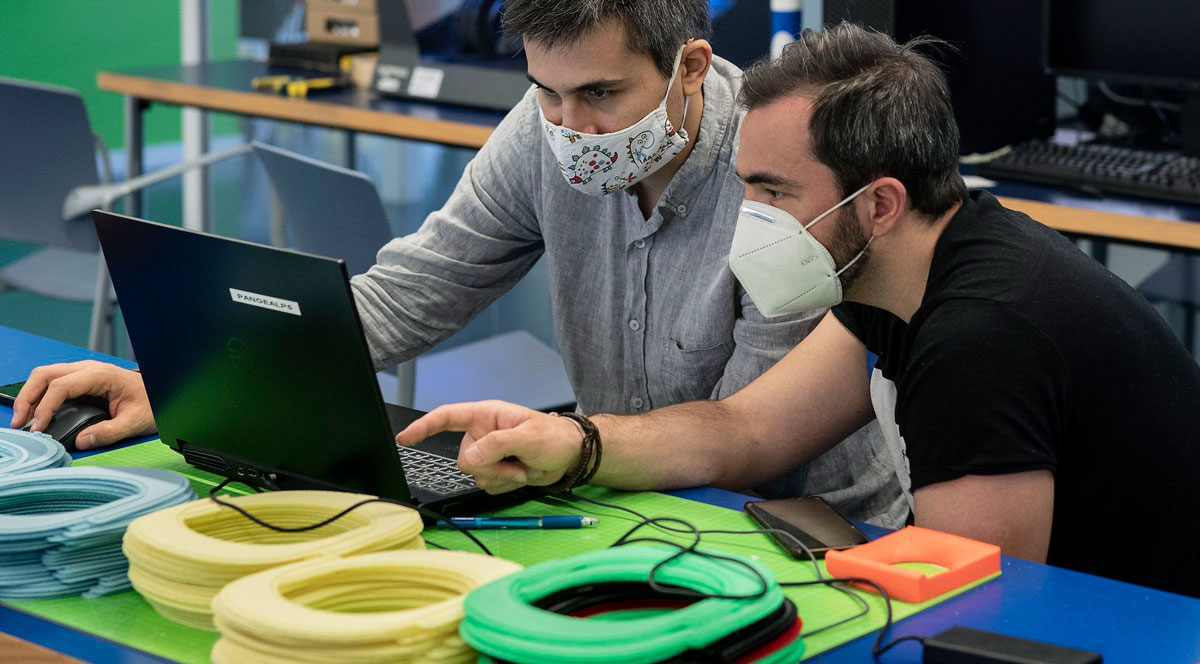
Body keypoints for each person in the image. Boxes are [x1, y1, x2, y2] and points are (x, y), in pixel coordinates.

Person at [10, 2, 904, 526]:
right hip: (609, 490)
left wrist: (575, 454)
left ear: (691, 65)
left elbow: (743, 444)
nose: (571, 129)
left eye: (601, 94)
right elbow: (409, 294)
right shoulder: (540, 131)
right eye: (547, 91)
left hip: (796, 524)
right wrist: (189, 384)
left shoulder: (775, 165)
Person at [394, 23, 1200, 597]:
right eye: (745, 183)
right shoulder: (900, 273)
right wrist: (574, 442)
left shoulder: (979, 341)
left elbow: (974, 614)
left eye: (774, 192)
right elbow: (746, 430)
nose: (749, 216)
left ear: (878, 203)